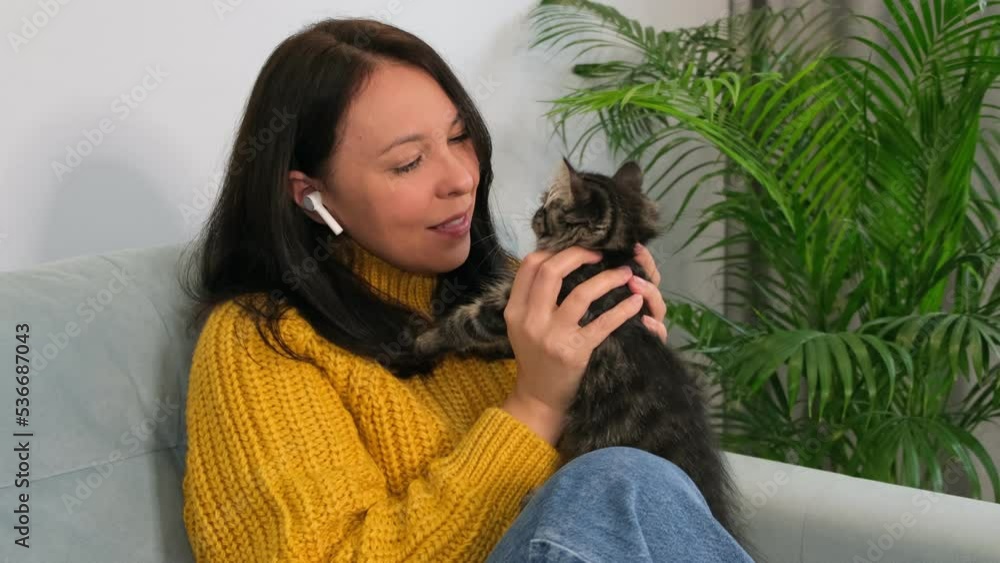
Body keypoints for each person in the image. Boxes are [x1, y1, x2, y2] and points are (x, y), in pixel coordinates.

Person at [179, 16, 753, 563]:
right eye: (408, 163)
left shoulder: (515, 286)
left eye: (460, 137)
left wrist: (619, 364)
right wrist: (536, 405)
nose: (460, 179)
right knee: (619, 482)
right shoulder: (261, 344)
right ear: (310, 195)